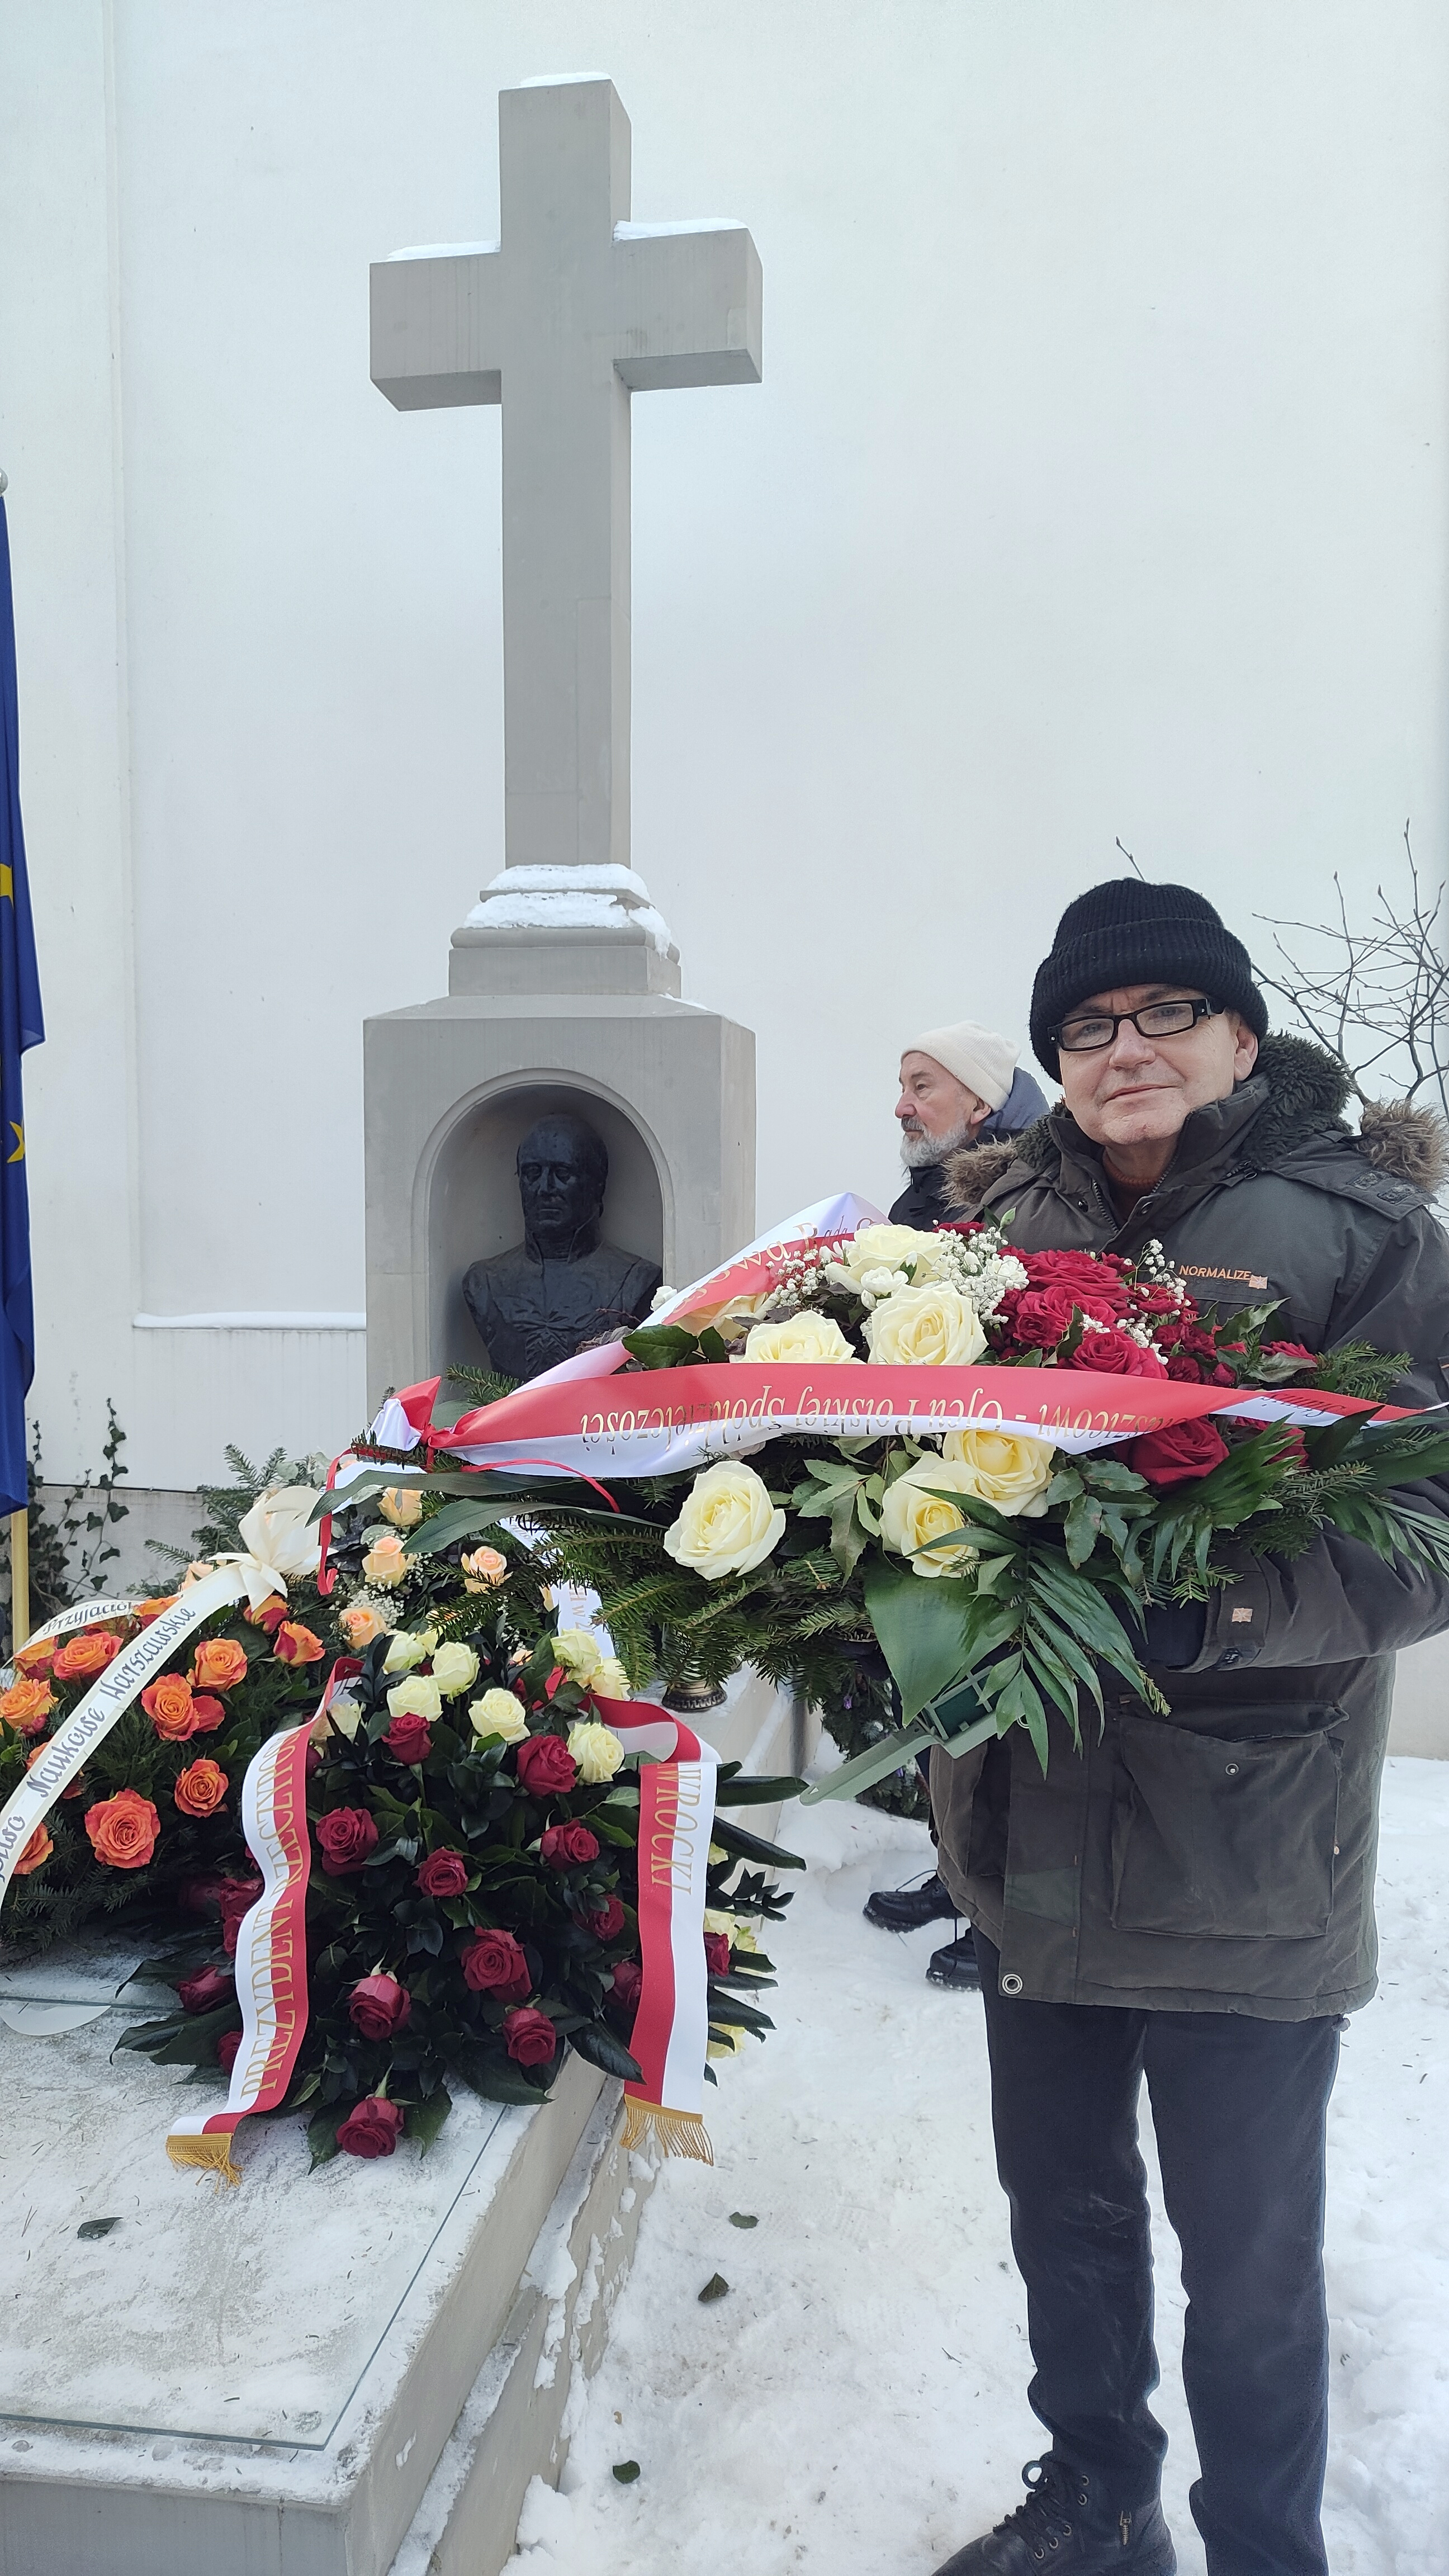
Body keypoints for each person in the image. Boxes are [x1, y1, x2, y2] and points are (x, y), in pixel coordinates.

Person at [922, 878, 1449, 2576]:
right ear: (1054, 1059)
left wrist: (1196, 1609)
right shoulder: (983, 1246)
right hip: (1028, 1823)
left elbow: (1425, 1525)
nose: (1125, 1046)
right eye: (1088, 1022)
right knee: (1062, 2217)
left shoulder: (1364, 1231)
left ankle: (1264, 2549)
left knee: (1248, 2264)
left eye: (1164, 1013)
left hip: (1247, 1835)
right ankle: (1099, 2502)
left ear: (1238, 1032)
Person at [868, 1023, 1047, 1988]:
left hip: (1003, 1488)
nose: (901, 1103)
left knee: (999, 1712)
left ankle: (1000, 1908)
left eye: (921, 1084)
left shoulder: (1023, 1194)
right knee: (939, 1692)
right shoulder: (932, 1191)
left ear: (979, 1104)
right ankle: (957, 1871)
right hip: (932, 1479)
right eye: (899, 1084)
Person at [890, 1020, 1048, 1228]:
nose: (901, 1109)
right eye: (904, 1089)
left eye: (921, 1087)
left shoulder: (1031, 1205)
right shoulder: (907, 1205)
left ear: (979, 1107)